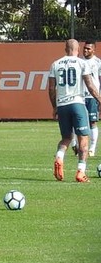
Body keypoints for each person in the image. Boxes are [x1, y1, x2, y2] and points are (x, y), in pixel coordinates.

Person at [48, 39, 101, 183]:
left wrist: (54, 107)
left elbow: (51, 89)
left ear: (66, 49)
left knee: (66, 138)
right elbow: (90, 85)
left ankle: (59, 157)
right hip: (77, 104)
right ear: (78, 49)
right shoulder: (82, 63)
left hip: (62, 105)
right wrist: (99, 100)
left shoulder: (55, 64)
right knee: (83, 139)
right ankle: (81, 172)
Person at [81, 40, 101, 156]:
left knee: (93, 122)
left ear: (94, 49)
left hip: (92, 96)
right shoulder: (79, 62)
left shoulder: (98, 62)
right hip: (80, 96)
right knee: (77, 121)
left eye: (88, 48)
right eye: (84, 48)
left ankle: (92, 148)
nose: (86, 50)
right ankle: (77, 145)